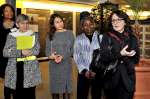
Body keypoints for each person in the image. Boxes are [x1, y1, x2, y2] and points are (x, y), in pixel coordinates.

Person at [100, 10, 140, 99]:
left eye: (118, 20)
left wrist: (131, 56)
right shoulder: (107, 36)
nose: (115, 23)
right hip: (111, 79)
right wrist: (120, 54)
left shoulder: (132, 38)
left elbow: (136, 59)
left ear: (125, 22)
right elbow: (104, 57)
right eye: (113, 20)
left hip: (128, 80)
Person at [3, 14, 41, 99]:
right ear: (17, 24)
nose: (25, 26)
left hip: (30, 69)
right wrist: (20, 52)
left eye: (27, 23)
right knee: (18, 94)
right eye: (22, 23)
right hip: (16, 69)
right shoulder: (11, 36)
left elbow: (37, 50)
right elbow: (5, 52)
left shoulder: (33, 35)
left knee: (30, 94)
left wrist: (30, 52)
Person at [45, 13, 74, 99]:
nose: (60, 23)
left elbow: (72, 50)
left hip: (66, 65)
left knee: (66, 91)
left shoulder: (69, 33)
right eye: (57, 22)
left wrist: (63, 56)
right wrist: (52, 56)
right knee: (55, 91)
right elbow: (47, 52)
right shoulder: (50, 35)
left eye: (61, 21)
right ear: (53, 24)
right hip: (54, 66)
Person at [73, 16, 103, 99]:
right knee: (82, 95)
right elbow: (77, 56)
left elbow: (103, 56)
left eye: (90, 24)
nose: (88, 26)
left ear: (94, 25)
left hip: (97, 73)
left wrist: (96, 70)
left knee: (96, 95)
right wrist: (85, 71)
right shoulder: (78, 39)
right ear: (82, 27)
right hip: (83, 73)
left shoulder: (101, 38)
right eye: (85, 25)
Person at [0, 3, 16, 79]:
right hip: (2, 54)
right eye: (6, 11)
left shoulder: (17, 25)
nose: (9, 13)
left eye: (11, 11)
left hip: (13, 54)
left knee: (13, 77)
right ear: (2, 13)